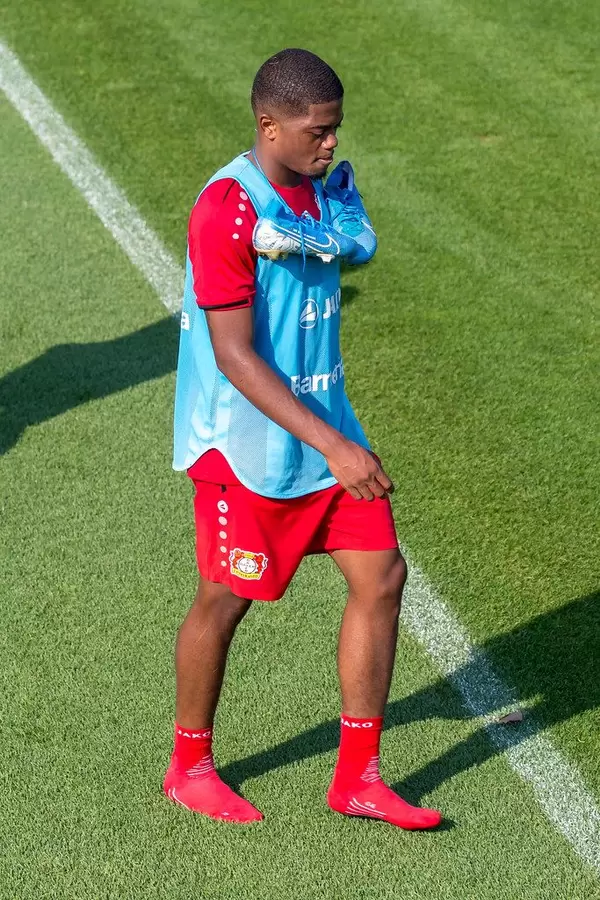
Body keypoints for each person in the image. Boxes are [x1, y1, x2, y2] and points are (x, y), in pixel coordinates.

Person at [165, 47, 442, 830]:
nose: (330, 145)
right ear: (270, 124)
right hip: (243, 448)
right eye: (318, 132)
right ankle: (189, 766)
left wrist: (333, 440)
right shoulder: (227, 209)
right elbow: (234, 355)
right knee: (226, 599)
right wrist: (337, 447)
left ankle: (357, 779)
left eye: (336, 131)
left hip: (321, 431)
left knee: (381, 575)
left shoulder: (319, 197)